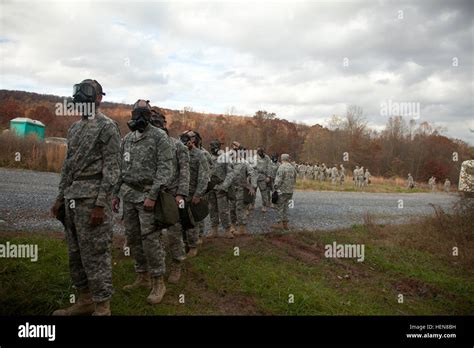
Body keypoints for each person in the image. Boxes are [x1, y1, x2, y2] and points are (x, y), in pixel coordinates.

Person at [51, 79, 121, 316]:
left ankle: (102, 307)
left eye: (88, 91)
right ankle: (85, 300)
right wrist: (60, 198)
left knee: (96, 254)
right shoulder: (74, 128)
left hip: (92, 201)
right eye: (78, 91)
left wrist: (101, 204)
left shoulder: (107, 127)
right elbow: (67, 167)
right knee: (76, 253)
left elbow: (112, 169)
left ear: (99, 98)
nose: (81, 96)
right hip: (72, 199)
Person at [113, 100, 174, 305]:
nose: (139, 117)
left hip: (148, 196)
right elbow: (120, 169)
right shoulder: (127, 139)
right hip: (128, 196)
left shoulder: (159, 137)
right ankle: (142, 276)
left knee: (151, 240)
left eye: (143, 113)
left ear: (149, 116)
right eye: (136, 112)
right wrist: (115, 194)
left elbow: (166, 169)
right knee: (133, 238)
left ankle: (158, 282)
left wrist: (153, 195)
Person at [149, 110, 189, 284]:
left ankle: (176, 264)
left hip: (171, 195)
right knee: (151, 233)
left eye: (159, 122)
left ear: (165, 124)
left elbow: (185, 172)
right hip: (151, 195)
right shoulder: (147, 144)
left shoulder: (178, 145)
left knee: (174, 233)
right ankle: (152, 270)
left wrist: (181, 194)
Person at [180, 130, 210, 257]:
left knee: (192, 221)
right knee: (180, 221)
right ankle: (183, 243)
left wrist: (198, 194)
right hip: (180, 194)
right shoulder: (179, 152)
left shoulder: (199, 155)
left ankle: (193, 246)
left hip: (193, 194)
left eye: (191, 137)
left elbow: (204, 176)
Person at [206, 139, 235, 239]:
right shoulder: (208, 157)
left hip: (221, 187)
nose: (211, 148)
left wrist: (225, 186)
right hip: (211, 187)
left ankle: (227, 230)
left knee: (223, 210)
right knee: (212, 209)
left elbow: (231, 173)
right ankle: (214, 230)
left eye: (213, 146)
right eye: (211, 146)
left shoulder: (225, 157)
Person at [271, 154, 297, 230]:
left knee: (280, 207)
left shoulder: (281, 167)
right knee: (286, 207)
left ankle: (279, 224)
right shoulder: (292, 168)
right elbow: (295, 178)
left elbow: (278, 180)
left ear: (282, 159)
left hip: (282, 191)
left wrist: (275, 188)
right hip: (290, 191)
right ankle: (285, 224)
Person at [255, 146, 272, 212]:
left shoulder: (267, 158)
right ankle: (251, 204)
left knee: (264, 192)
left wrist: (268, 176)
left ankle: (264, 206)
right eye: (258, 151)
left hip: (263, 176)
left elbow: (269, 167)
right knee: (252, 192)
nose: (260, 153)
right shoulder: (254, 157)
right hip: (255, 176)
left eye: (261, 151)